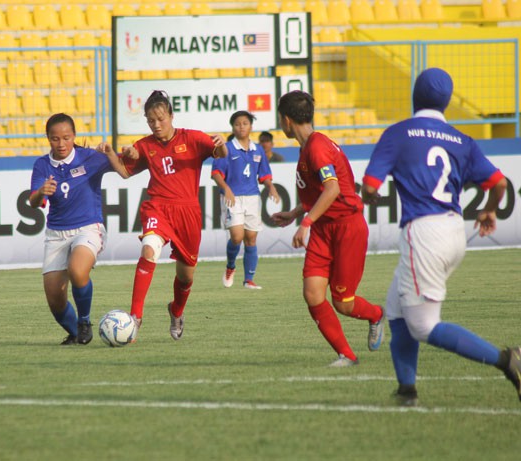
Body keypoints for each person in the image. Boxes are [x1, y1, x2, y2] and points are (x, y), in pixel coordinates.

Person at [361, 67, 520, 405]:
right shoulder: (462, 140)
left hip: (424, 232)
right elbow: (500, 183)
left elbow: (371, 187)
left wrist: (370, 196)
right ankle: (407, 391)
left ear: (414, 95)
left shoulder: (399, 133)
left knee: (423, 325)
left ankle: (507, 360)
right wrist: (490, 209)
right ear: (447, 102)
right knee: (396, 310)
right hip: (452, 230)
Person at [98, 90, 228, 341]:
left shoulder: (192, 138)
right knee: (149, 249)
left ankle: (176, 310)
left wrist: (221, 145)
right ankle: (135, 318)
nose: (156, 125)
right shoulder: (145, 146)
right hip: (158, 206)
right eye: (150, 121)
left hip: (188, 213)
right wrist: (114, 155)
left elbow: (219, 154)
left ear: (171, 115)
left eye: (160, 119)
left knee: (185, 276)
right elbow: (125, 171)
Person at [271, 91, 384, 367]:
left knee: (343, 302)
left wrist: (305, 223)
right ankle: (346, 354)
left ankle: (377, 315)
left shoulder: (317, 148)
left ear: (286, 120)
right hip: (324, 229)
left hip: (346, 228)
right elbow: (321, 191)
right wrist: (296, 213)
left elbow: (332, 189)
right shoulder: (310, 146)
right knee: (312, 293)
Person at [29, 113, 118, 345]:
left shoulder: (90, 158)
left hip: (88, 227)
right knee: (55, 299)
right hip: (56, 234)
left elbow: (124, 166)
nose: (61, 144)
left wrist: (123, 154)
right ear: (48, 139)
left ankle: (85, 321)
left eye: (66, 138)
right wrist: (41, 192)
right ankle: (76, 333)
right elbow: (33, 202)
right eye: (55, 139)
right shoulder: (42, 165)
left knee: (78, 270)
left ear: (74, 136)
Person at [212, 111, 280, 289]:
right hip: (232, 197)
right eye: (237, 124)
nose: (241, 126)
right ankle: (230, 267)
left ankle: (248, 279)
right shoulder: (226, 148)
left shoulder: (257, 149)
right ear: (232, 127)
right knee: (237, 236)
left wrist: (271, 187)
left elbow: (264, 174)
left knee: (251, 238)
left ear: (251, 126)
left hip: (252, 198)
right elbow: (216, 174)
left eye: (244, 123)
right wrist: (226, 189)